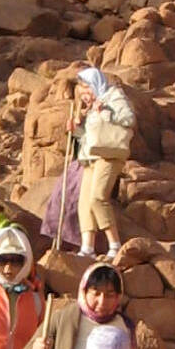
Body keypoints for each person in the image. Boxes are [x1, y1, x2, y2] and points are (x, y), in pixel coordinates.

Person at [26, 261, 136, 349]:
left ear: (119, 296)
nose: (102, 301)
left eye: (109, 295)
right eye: (96, 293)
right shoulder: (62, 320)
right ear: (84, 291)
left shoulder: (126, 327)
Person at [75, 66, 135, 261]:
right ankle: (87, 248)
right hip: (92, 156)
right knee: (84, 203)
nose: (85, 96)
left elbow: (128, 119)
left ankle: (115, 244)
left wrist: (106, 111)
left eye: (88, 90)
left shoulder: (113, 96)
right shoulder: (92, 107)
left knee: (98, 198)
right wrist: (76, 131)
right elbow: (92, 137)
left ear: (96, 85)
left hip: (109, 155)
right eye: (82, 92)